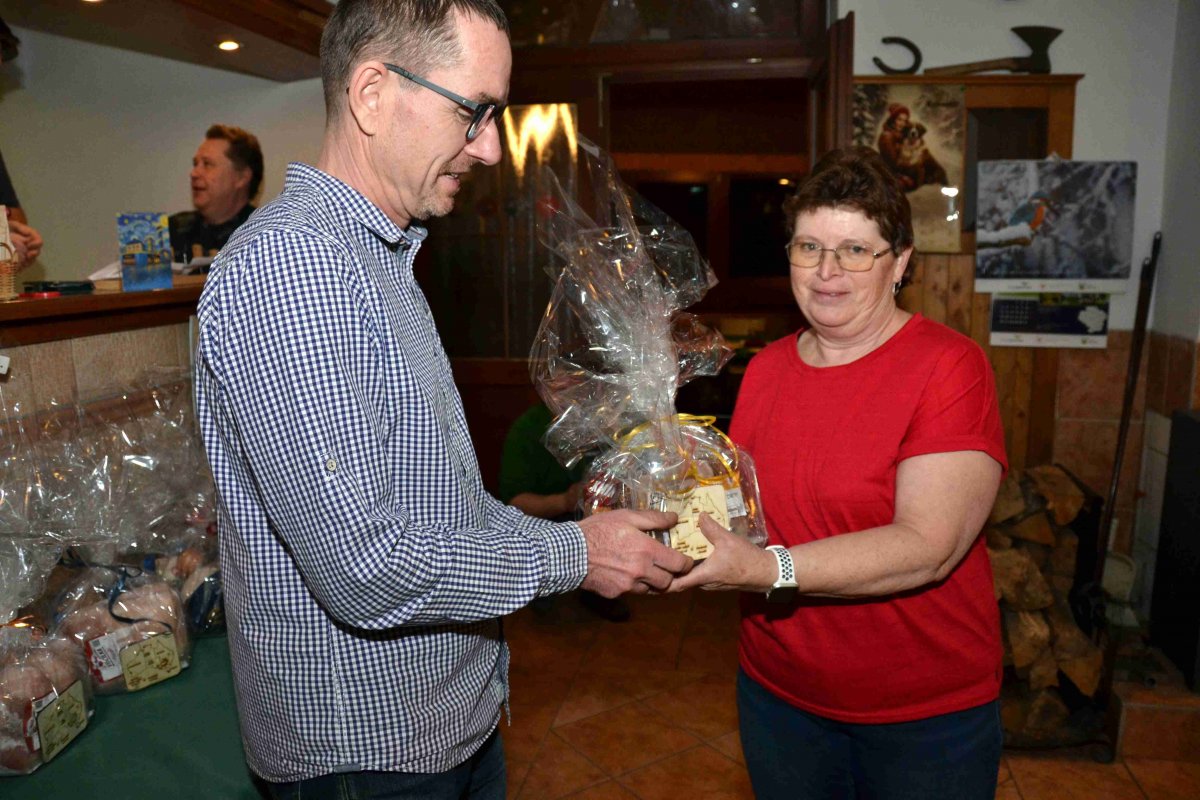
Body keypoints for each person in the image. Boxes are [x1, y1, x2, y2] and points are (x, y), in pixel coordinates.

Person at [192, 1, 690, 797]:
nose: (489, 147)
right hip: (368, 752)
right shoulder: (295, 270)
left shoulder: (377, 259)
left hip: (443, 723)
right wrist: (577, 554)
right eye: (473, 112)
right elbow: (365, 567)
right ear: (373, 94)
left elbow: (442, 505)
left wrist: (579, 533)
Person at [669, 146, 1007, 800]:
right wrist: (660, 492)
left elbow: (928, 547)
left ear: (899, 262)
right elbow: (748, 509)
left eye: (855, 250)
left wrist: (768, 570)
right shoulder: (765, 368)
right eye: (809, 247)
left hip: (923, 715)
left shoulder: (949, 368)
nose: (827, 272)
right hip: (778, 695)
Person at [498, 402, 631, 621]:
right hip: (544, 519)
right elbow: (513, 504)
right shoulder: (528, 428)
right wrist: (565, 501)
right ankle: (541, 593)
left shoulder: (607, 418)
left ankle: (601, 592)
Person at [168, 124, 263, 264]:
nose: (194, 173)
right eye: (195, 164)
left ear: (242, 177)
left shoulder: (268, 236)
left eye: (207, 164)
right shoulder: (172, 230)